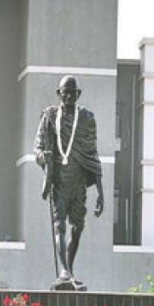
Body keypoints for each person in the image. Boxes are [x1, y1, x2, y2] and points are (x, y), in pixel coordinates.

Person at [34, 75, 104, 289]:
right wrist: (43, 157)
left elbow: (93, 155)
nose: (69, 96)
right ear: (59, 94)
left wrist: (100, 193)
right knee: (59, 225)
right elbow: (38, 148)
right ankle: (63, 270)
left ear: (78, 94)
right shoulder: (49, 117)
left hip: (79, 182)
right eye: (65, 93)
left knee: (78, 227)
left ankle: (69, 271)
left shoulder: (86, 118)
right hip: (59, 182)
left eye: (73, 93)